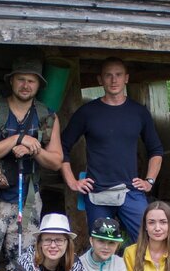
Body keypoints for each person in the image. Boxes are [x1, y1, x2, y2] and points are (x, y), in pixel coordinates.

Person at [0, 56, 63, 271]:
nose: (25, 85)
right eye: (21, 79)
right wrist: (17, 139)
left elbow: (56, 161)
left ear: (39, 85)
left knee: (25, 270)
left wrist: (34, 149)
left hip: (27, 203)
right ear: (11, 82)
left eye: (31, 81)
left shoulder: (47, 116)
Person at [60, 57, 164, 241]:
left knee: (147, 242)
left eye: (118, 75)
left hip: (130, 191)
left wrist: (149, 181)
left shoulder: (138, 112)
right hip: (98, 193)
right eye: (108, 75)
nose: (113, 80)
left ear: (127, 78)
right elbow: (62, 147)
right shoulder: (87, 112)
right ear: (100, 80)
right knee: (103, 247)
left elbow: (156, 150)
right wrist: (72, 181)